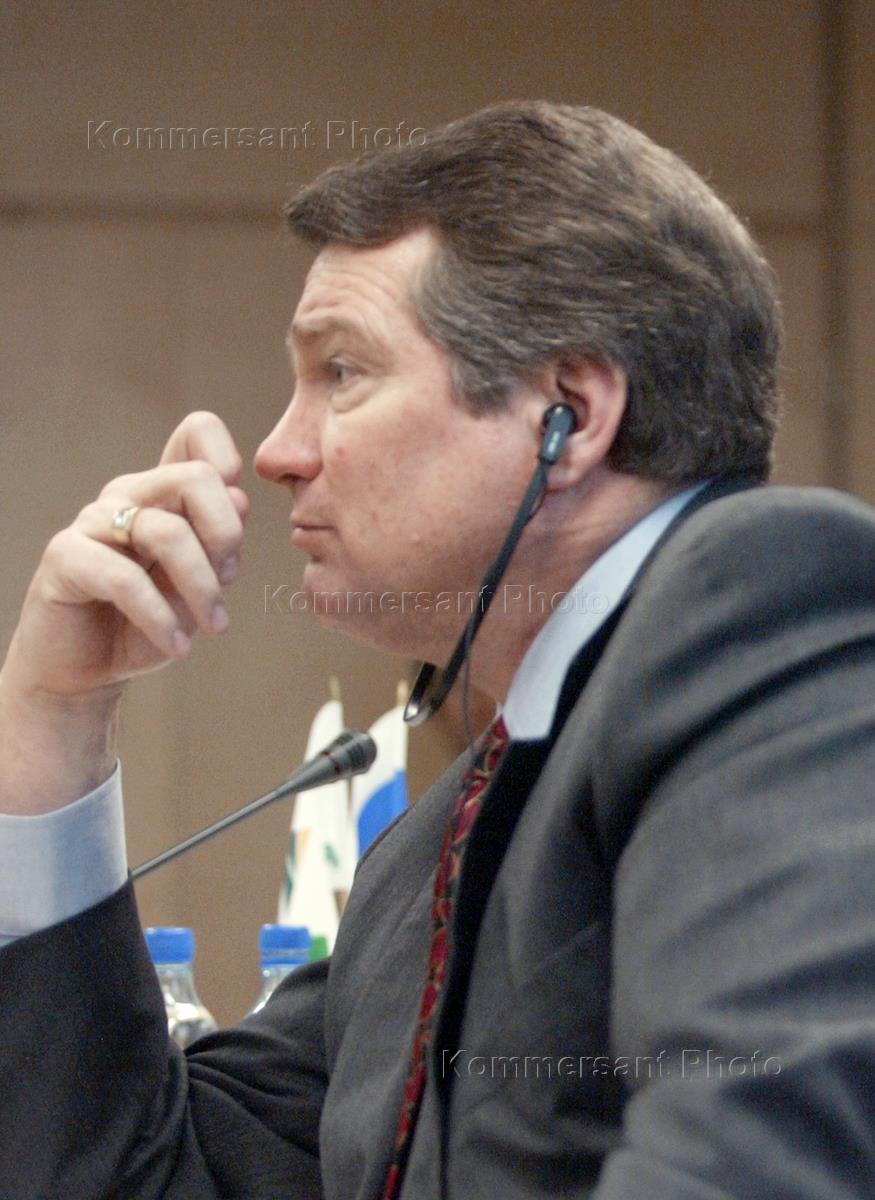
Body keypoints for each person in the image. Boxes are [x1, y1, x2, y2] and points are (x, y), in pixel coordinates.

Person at [3, 100, 875, 1199]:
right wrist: (51, 718)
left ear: (568, 413)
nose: (276, 452)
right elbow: (143, 1180)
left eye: (341, 372)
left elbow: (765, 1151)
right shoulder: (430, 848)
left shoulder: (768, 609)